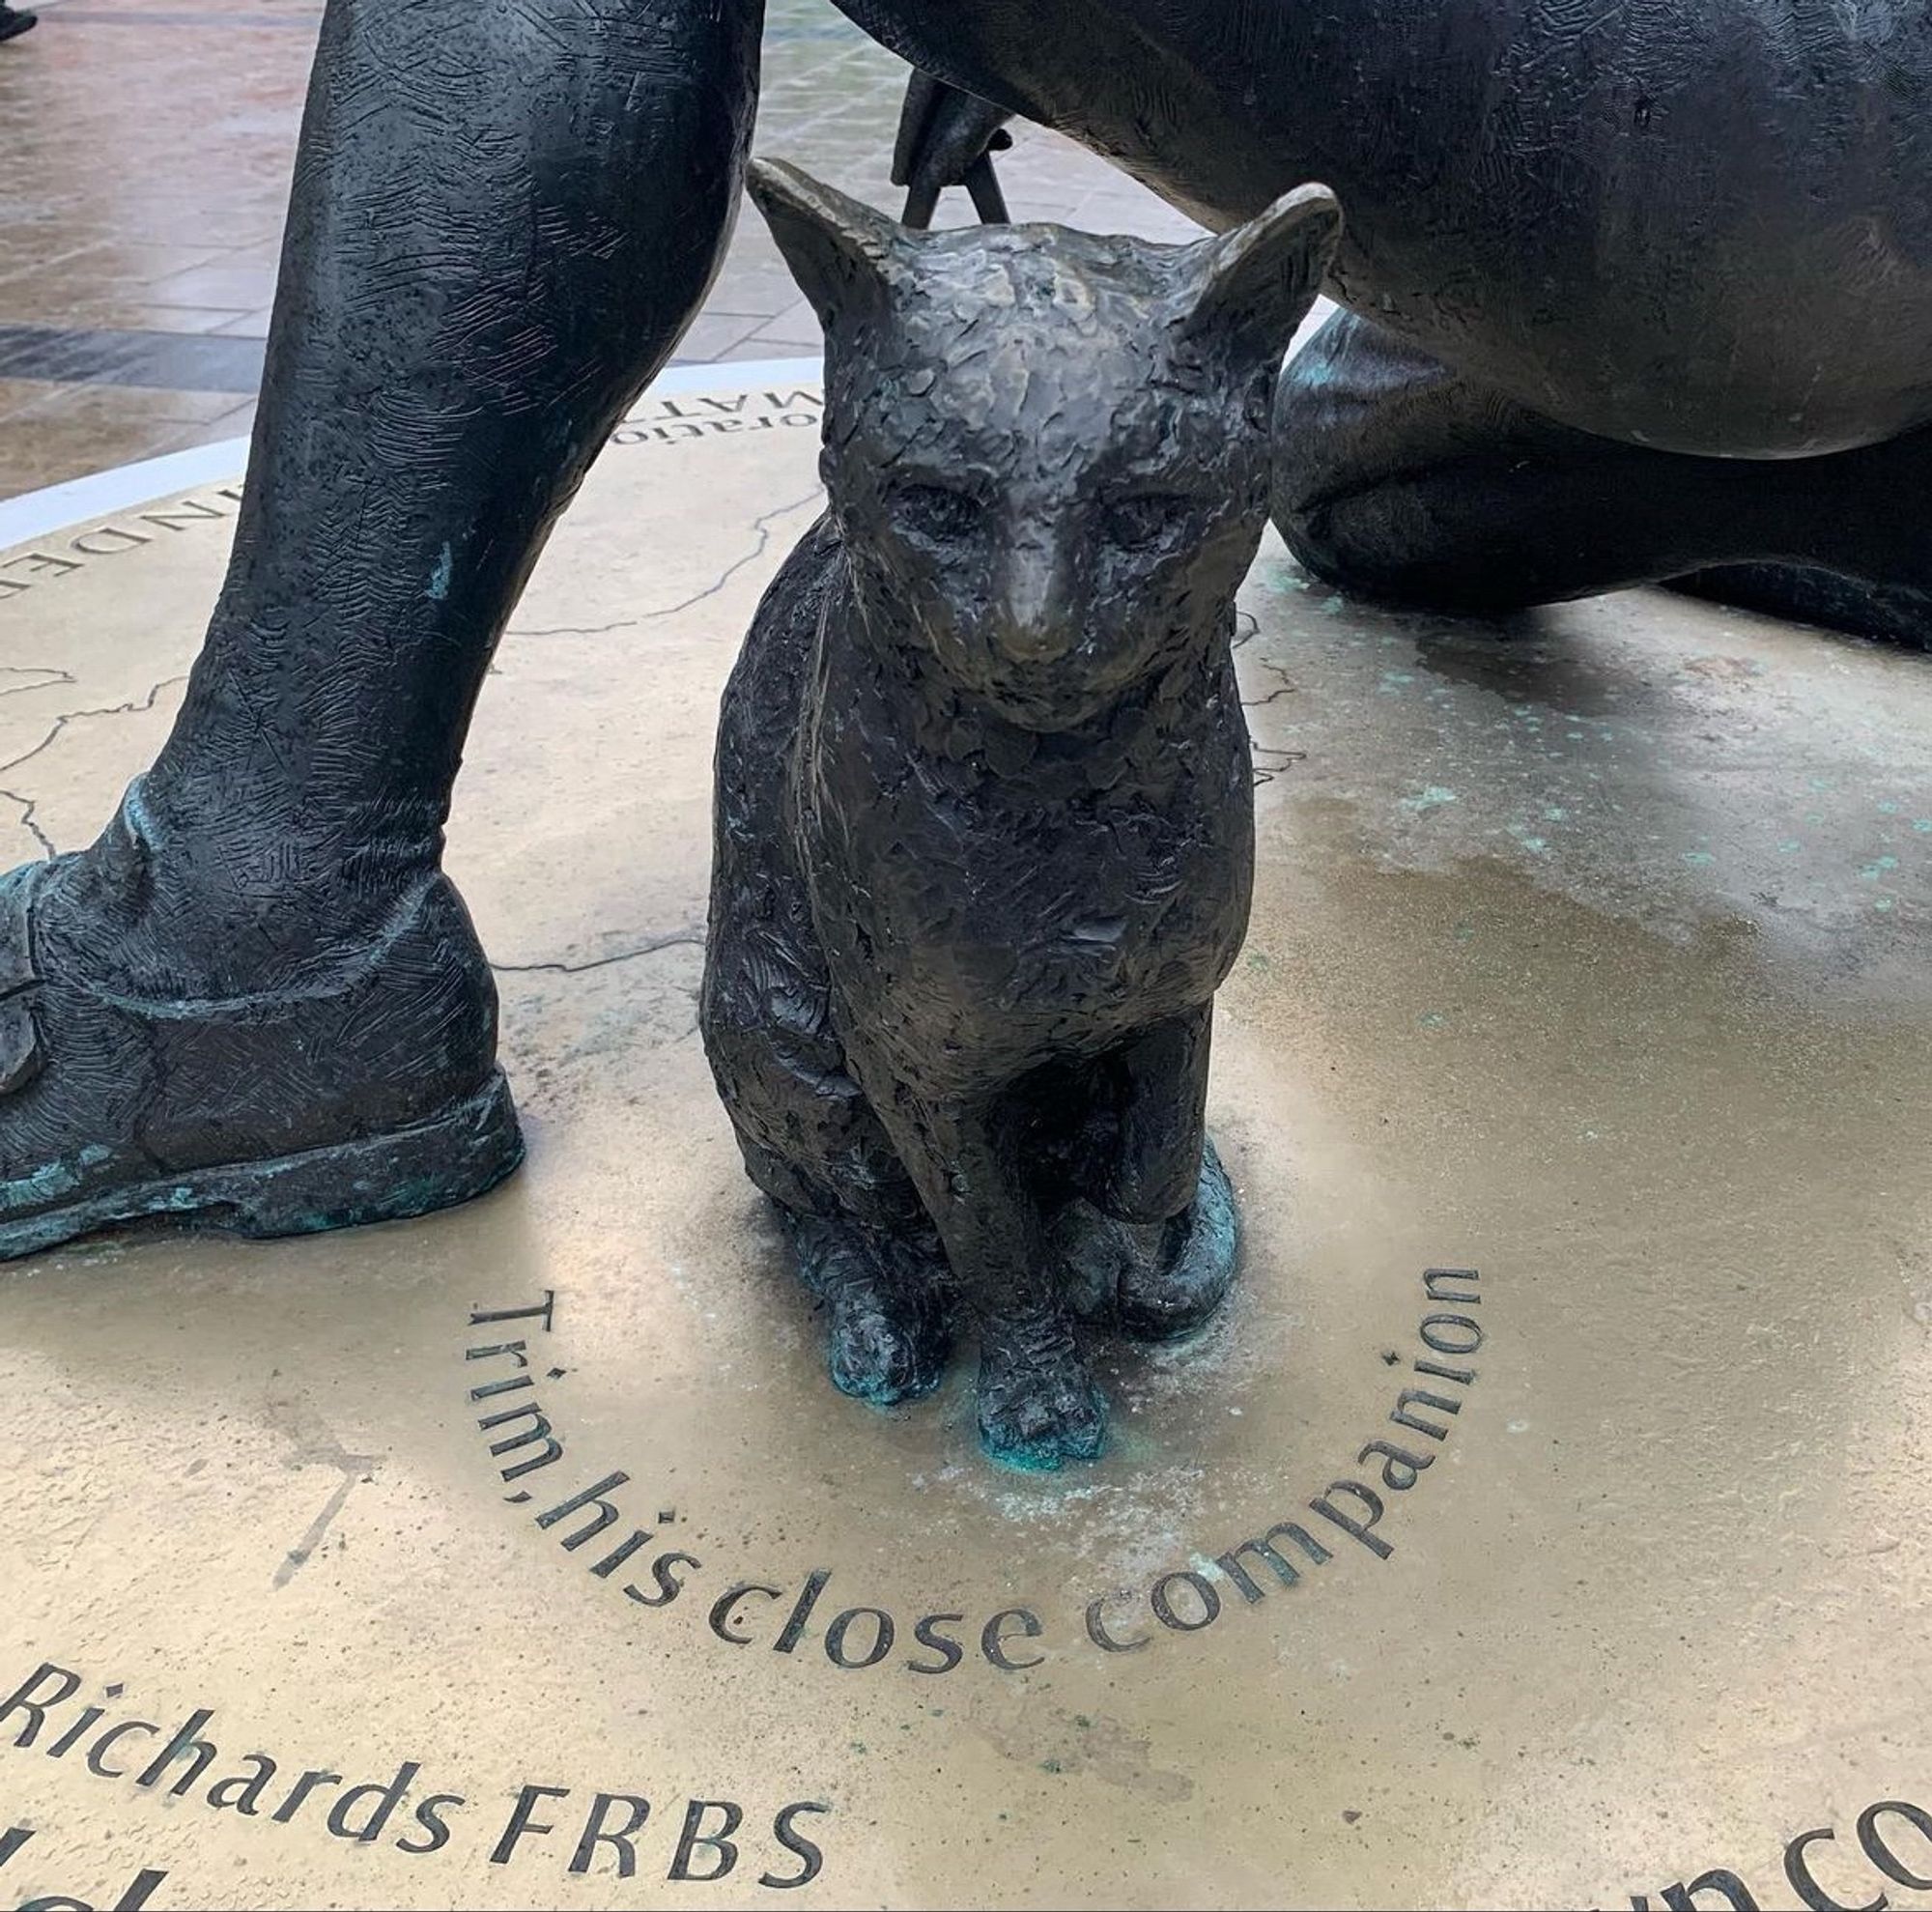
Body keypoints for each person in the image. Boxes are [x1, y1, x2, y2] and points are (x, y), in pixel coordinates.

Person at [1, 0, 1927, 1261]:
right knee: (1347, 491)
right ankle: (1857, 469)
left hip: (1784, 115)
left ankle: (257, 924)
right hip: (1821, 258)